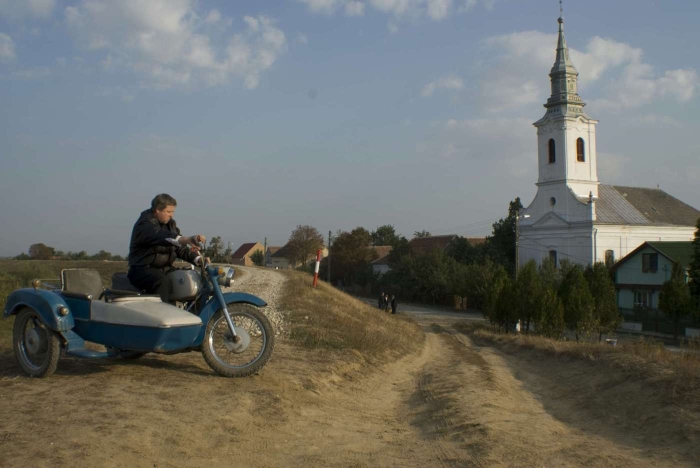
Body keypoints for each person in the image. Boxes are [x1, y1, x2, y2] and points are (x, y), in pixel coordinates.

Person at [127, 193, 208, 294]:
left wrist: (198, 259)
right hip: (142, 269)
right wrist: (186, 239)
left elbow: (179, 248)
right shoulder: (144, 224)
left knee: (190, 279)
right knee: (161, 281)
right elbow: (160, 236)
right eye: (168, 211)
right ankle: (163, 309)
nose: (171, 215)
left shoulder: (170, 224)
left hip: (165, 269)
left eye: (173, 212)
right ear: (157, 210)